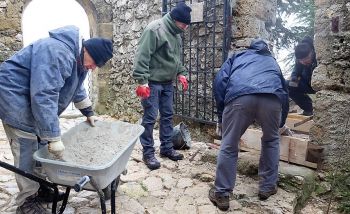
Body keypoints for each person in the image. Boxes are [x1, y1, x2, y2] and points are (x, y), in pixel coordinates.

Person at [0, 25, 113, 214]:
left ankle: (42, 189)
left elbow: (77, 88)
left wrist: (88, 112)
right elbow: (44, 95)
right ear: (87, 50)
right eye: (95, 62)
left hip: (29, 98)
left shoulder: (79, 60)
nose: (93, 68)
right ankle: (27, 202)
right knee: (28, 147)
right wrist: (54, 136)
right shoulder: (57, 53)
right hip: (13, 96)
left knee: (43, 146)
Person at [209, 38, 290, 211]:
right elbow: (284, 90)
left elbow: (220, 82)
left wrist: (221, 112)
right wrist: (281, 121)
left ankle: (222, 193)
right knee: (271, 140)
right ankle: (267, 187)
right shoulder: (272, 62)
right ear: (267, 50)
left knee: (229, 143)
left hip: (240, 98)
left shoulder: (237, 56)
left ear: (250, 48)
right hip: (271, 100)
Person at [132, 2, 191, 170]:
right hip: (152, 83)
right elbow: (142, 56)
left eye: (187, 25)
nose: (185, 28)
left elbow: (175, 59)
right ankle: (148, 153)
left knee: (167, 116)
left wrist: (181, 73)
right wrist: (142, 81)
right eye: (184, 24)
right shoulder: (154, 30)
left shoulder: (177, 34)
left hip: (167, 83)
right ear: (174, 19)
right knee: (150, 118)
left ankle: (166, 148)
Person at [287, 36, 317, 116]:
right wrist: (294, 79)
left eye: (306, 59)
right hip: (307, 84)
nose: (303, 62)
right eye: (301, 61)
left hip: (320, 83)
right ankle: (309, 108)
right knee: (288, 85)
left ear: (312, 52)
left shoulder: (319, 54)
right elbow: (296, 71)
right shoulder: (300, 60)